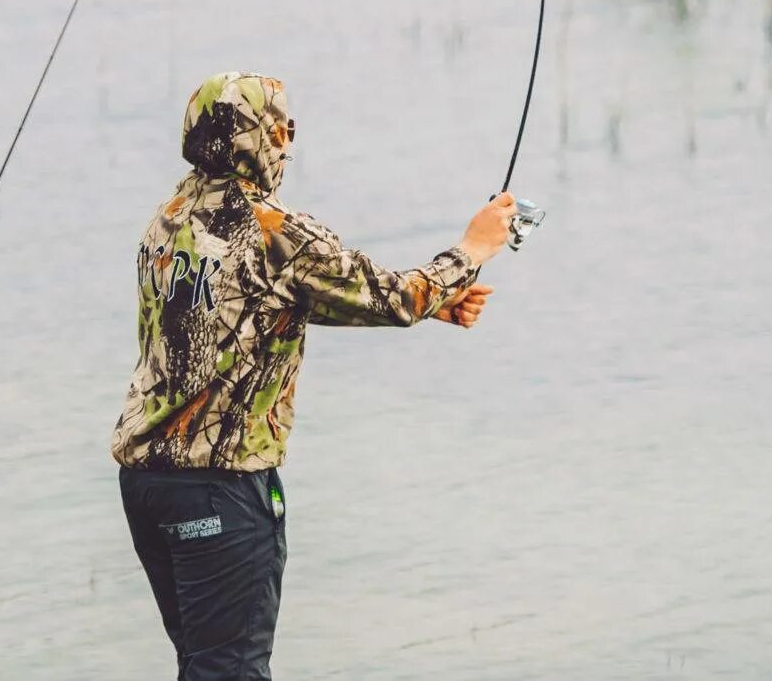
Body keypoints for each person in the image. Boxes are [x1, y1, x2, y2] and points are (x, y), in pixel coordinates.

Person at [112, 71, 516, 680]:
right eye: (282, 129)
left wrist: (439, 302)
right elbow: (398, 298)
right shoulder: (276, 234)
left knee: (204, 664)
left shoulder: (167, 219)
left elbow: (253, 312)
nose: (287, 143)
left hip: (146, 485)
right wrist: (474, 248)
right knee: (231, 671)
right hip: (221, 488)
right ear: (257, 140)